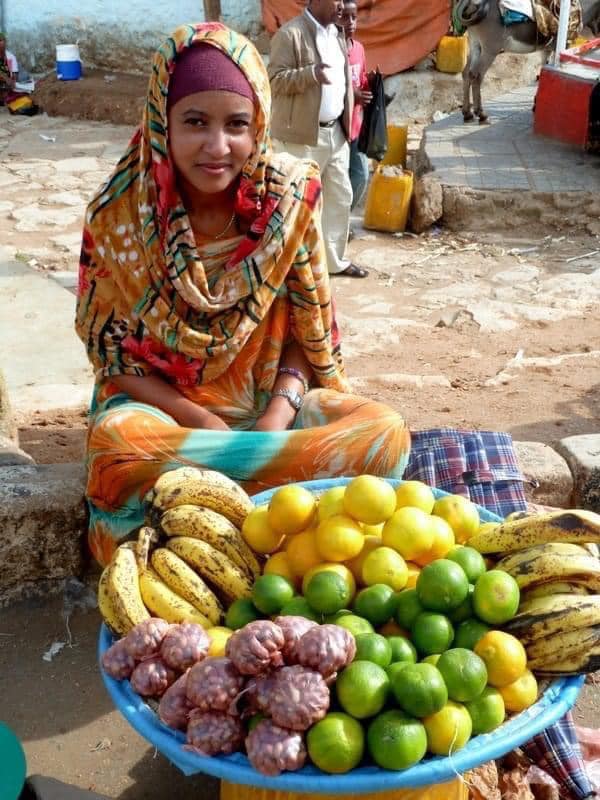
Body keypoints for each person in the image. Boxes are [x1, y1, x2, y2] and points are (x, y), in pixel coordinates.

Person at [74, 22, 410, 564]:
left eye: (236, 125)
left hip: (271, 402)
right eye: (195, 123)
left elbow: (309, 328)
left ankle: (214, 510)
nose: (217, 146)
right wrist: (202, 420)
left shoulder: (290, 196)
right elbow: (111, 355)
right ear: (162, 122)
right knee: (119, 447)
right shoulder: (118, 216)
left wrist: (278, 416)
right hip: (163, 412)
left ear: (258, 126)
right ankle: (281, 513)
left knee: (384, 435)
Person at [268, 0, 368, 279]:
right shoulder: (290, 35)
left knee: (340, 196)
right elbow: (274, 80)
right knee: (296, 203)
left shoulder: (336, 35)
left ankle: (333, 262)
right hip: (302, 137)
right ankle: (290, 268)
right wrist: (309, 75)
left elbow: (345, 84)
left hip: (335, 133)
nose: (340, 5)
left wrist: (348, 123)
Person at [341, 0, 372, 211]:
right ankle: (338, 222)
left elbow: (361, 80)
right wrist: (354, 95)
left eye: (354, 17)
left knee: (361, 174)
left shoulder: (359, 49)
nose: (350, 22)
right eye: (345, 17)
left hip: (356, 126)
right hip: (338, 126)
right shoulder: (333, 50)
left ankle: (343, 216)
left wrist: (372, 92)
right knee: (339, 177)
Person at [0, 32, 18, 104]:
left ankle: (4, 98)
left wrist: (13, 79)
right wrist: (5, 78)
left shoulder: (11, 56)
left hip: (6, 84)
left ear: (5, 42)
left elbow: (15, 72)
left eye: (1, 41)